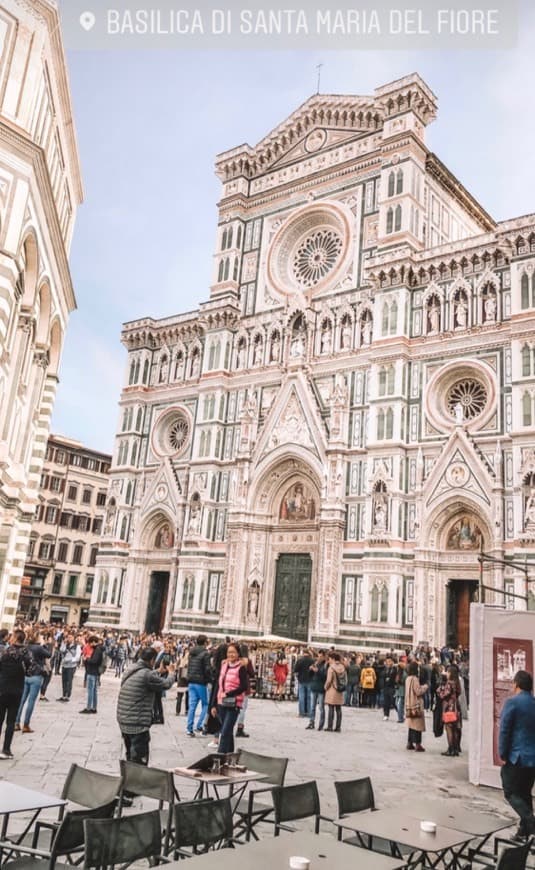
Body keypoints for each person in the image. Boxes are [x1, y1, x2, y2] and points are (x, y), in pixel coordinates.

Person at [116, 647, 176, 765]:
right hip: (137, 722)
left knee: (130, 755)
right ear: (153, 659)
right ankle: (137, 780)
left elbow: (146, 676)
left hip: (124, 718)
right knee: (139, 760)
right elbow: (166, 684)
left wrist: (159, 671)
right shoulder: (147, 675)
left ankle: (129, 777)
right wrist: (172, 673)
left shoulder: (132, 668)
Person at [498, 670, 535, 841]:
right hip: (532, 758)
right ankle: (524, 831)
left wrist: (503, 752)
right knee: (525, 793)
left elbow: (505, 730)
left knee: (510, 790)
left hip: (517, 756)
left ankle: (531, 824)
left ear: (516, 684)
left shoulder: (512, 703)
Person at [0, 631, 33, 759]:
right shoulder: (26, 654)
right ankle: (6, 750)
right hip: (17, 690)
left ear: (15, 638)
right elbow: (30, 672)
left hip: (2, 689)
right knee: (10, 721)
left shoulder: (5, 652)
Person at [211, 642, 248, 754]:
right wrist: (214, 704)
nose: (231, 654)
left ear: (238, 654)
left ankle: (219, 756)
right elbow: (219, 685)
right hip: (221, 702)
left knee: (225, 731)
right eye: (229, 652)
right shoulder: (224, 665)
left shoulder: (241, 668)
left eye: (233, 652)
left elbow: (243, 686)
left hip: (234, 703)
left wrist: (229, 693)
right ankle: (230, 756)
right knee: (228, 731)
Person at [15, 631, 51, 732]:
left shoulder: (26, 647)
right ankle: (26, 724)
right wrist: (44, 645)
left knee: (22, 700)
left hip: (26, 675)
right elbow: (49, 655)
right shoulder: (39, 648)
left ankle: (16, 723)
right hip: (36, 676)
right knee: (31, 701)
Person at [185, 634, 212, 737]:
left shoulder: (191, 652)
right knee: (206, 704)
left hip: (191, 681)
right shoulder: (205, 653)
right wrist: (210, 679)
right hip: (201, 682)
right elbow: (207, 669)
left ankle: (189, 729)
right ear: (205, 642)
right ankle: (199, 725)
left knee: (192, 706)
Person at [436, 665, 462, 756]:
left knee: (449, 728)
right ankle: (455, 749)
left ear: (451, 673)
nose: (446, 673)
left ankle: (450, 749)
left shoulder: (449, 683)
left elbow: (443, 695)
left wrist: (439, 689)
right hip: (456, 707)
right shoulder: (457, 682)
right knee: (454, 729)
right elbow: (458, 693)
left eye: (447, 672)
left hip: (449, 707)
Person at [404, 661, 428, 751]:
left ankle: (409, 742)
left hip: (409, 703)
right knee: (418, 725)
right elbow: (418, 691)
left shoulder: (407, 679)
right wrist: (425, 687)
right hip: (416, 704)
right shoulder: (415, 679)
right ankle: (418, 744)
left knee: (411, 724)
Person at [80, 636, 104, 714]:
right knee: (94, 691)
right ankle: (94, 707)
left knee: (91, 691)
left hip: (92, 672)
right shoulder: (99, 649)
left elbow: (94, 661)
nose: (90, 645)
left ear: (94, 642)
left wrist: (87, 659)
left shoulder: (97, 650)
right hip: (95, 672)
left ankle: (89, 708)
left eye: (91, 643)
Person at [324, 652, 346, 732]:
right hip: (340, 690)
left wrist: (325, 687)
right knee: (339, 709)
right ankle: (338, 727)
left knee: (331, 708)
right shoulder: (342, 667)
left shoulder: (331, 668)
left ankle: (330, 726)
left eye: (329, 659)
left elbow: (329, 680)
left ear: (333, 659)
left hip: (332, 690)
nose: (328, 660)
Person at [57, 633, 81, 702]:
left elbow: (77, 657)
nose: (69, 639)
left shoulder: (77, 646)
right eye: (68, 637)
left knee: (69, 681)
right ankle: (63, 694)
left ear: (73, 638)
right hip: (64, 665)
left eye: (71, 637)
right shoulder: (66, 645)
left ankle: (67, 695)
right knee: (64, 680)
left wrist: (70, 660)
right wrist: (63, 643)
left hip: (71, 666)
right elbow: (61, 650)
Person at [307, 650, 327, 731]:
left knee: (321, 707)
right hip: (314, 687)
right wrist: (310, 670)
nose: (319, 658)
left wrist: (317, 671)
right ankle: (311, 723)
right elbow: (309, 675)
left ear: (324, 656)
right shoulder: (316, 663)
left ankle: (321, 725)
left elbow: (325, 677)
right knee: (312, 707)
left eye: (321, 656)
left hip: (321, 688)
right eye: (318, 656)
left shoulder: (326, 665)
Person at [294, 649, 315, 718]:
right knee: (309, 697)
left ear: (303, 653)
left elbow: (296, 670)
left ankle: (302, 713)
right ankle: (309, 713)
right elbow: (314, 671)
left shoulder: (300, 660)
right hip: (310, 680)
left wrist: (298, 676)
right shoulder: (312, 660)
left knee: (301, 697)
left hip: (301, 680)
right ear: (308, 653)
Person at [382, 656, 397, 721]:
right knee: (386, 702)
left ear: (392, 662)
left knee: (394, 701)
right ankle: (386, 715)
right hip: (386, 687)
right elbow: (383, 676)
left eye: (389, 661)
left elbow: (395, 677)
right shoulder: (385, 669)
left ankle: (400, 713)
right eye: (387, 661)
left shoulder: (394, 669)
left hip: (392, 687)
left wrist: (390, 679)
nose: (388, 663)